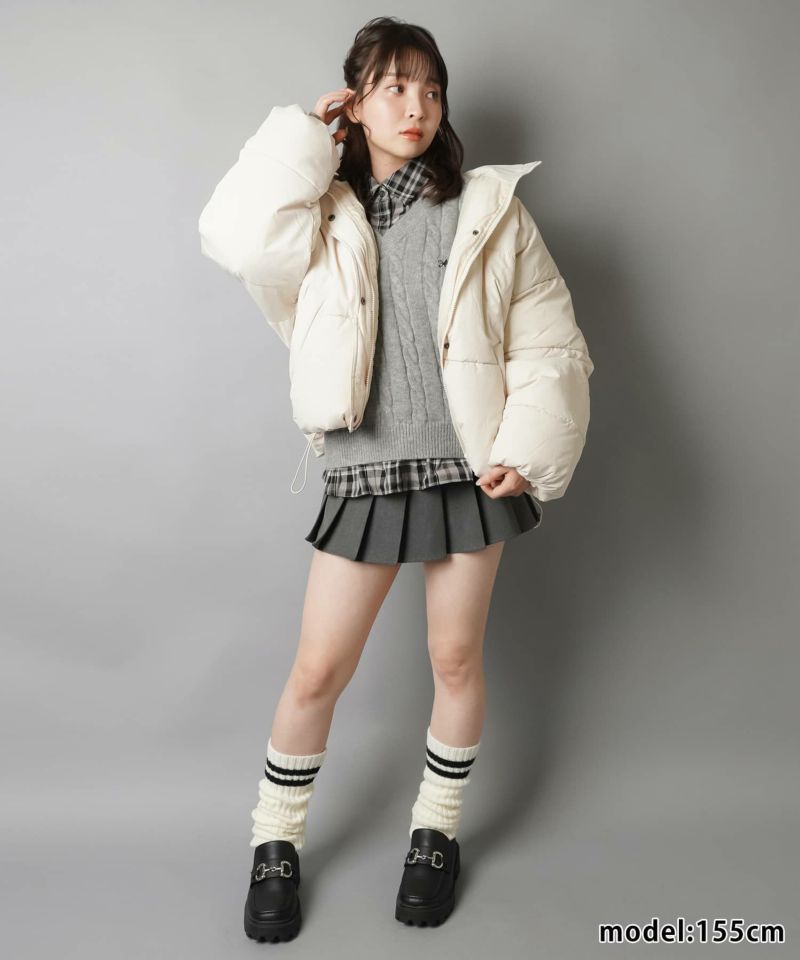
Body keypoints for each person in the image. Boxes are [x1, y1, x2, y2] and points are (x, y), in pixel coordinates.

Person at [198, 15, 593, 942]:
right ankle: (275, 843)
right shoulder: (320, 212)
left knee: (454, 661)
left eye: (430, 89)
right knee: (316, 673)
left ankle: (434, 833)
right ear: (357, 101)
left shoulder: (487, 206)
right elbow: (238, 239)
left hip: (466, 471)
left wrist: (527, 447)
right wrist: (305, 137)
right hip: (363, 469)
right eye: (394, 87)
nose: (416, 106)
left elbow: (548, 336)